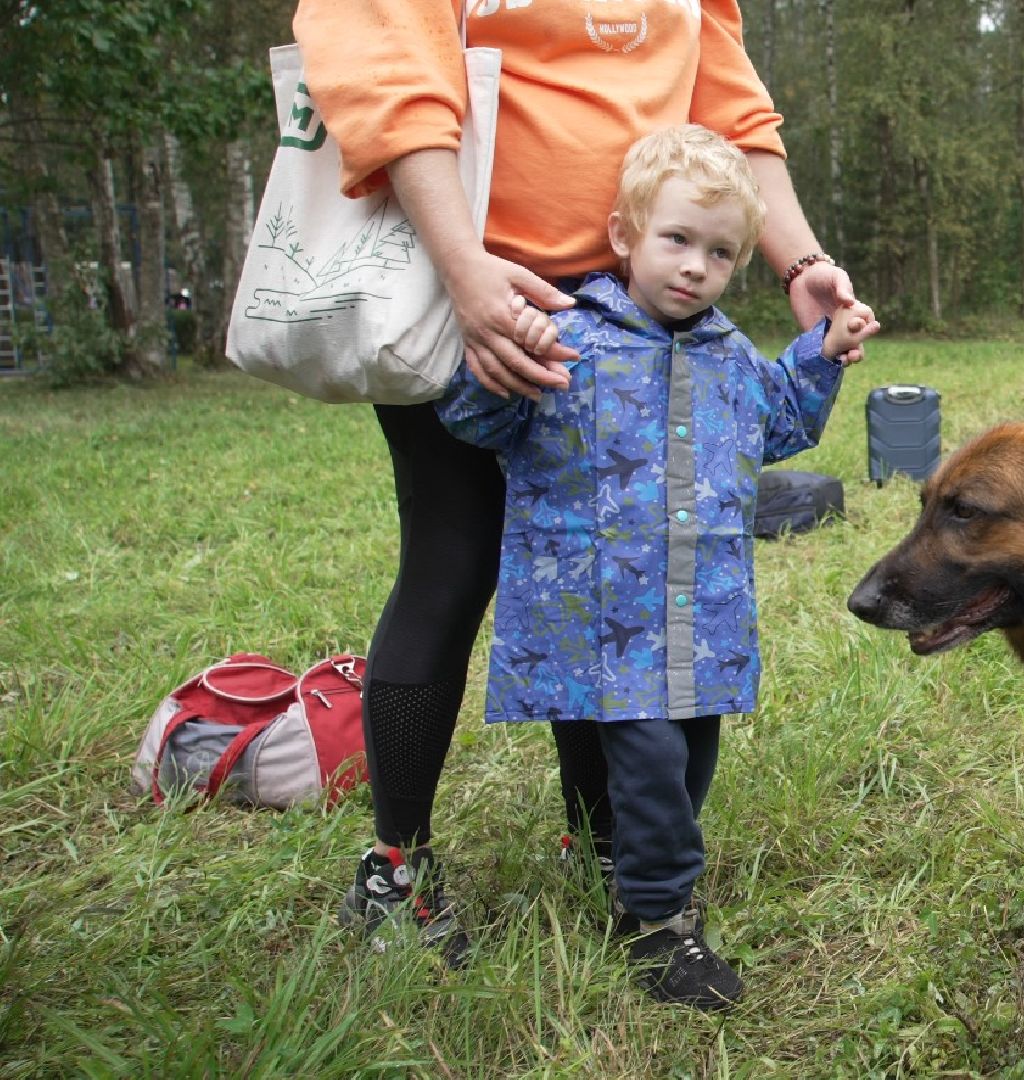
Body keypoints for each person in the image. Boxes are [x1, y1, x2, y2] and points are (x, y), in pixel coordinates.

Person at [293, 1, 866, 968]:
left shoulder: (715, 340)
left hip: (633, 283)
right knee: (455, 558)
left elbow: (731, 107)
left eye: (718, 256)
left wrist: (798, 265)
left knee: (610, 591)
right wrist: (463, 271)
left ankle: (602, 841)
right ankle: (397, 867)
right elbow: (387, 72)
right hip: (470, 280)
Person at [431, 124, 876, 1008]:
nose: (694, 267)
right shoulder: (569, 338)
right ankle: (658, 923)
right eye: (676, 239)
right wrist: (496, 361)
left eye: (719, 252)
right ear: (626, 235)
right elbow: (477, 426)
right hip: (602, 615)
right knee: (647, 759)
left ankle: (617, 858)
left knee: (688, 757)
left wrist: (818, 357)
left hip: (700, 610)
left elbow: (776, 424)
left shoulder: (728, 355)